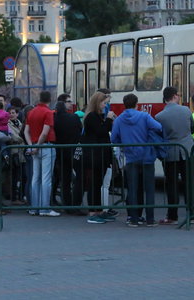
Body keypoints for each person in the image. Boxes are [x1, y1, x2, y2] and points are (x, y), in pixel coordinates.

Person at [110, 93, 163, 227]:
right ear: (136, 104)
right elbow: (159, 127)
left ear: (124, 104)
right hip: (147, 157)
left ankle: (133, 219)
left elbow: (114, 138)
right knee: (149, 190)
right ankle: (150, 219)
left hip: (131, 157)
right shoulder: (144, 116)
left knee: (132, 189)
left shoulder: (119, 119)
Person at [155, 86, 194, 224]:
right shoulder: (186, 110)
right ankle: (192, 214)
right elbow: (193, 128)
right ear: (174, 96)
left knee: (172, 185)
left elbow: (159, 135)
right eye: (178, 95)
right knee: (189, 183)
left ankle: (172, 216)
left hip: (170, 153)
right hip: (187, 151)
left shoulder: (159, 116)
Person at [76, 91, 117, 224]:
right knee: (94, 183)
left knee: (98, 183)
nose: (105, 106)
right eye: (104, 103)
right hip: (94, 155)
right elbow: (101, 132)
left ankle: (99, 210)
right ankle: (93, 212)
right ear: (97, 103)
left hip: (100, 155)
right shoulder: (91, 117)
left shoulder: (97, 116)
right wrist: (109, 119)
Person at [24, 91, 60, 217]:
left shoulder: (31, 112)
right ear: (50, 100)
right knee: (46, 178)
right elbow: (45, 133)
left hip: (34, 146)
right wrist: (38, 146)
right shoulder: (48, 112)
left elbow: (26, 131)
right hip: (46, 146)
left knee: (35, 178)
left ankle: (34, 207)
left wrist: (31, 146)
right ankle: (45, 208)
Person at [53, 94, 82, 211]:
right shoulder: (74, 118)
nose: (71, 103)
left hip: (60, 152)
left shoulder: (54, 119)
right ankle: (75, 204)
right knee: (78, 178)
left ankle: (67, 203)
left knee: (64, 179)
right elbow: (80, 131)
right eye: (69, 101)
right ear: (64, 105)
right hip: (73, 151)